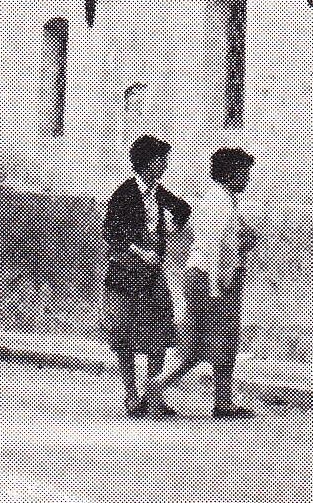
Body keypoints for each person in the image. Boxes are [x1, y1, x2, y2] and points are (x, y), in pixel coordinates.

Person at [144, 147, 259, 418]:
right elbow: (213, 246)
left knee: (220, 342)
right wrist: (218, 285)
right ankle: (156, 388)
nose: (247, 179)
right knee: (200, 345)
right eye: (244, 173)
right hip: (212, 280)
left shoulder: (222, 200)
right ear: (231, 174)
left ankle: (222, 401)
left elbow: (232, 239)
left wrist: (242, 241)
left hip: (212, 278)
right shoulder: (219, 203)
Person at [102, 135, 191, 417]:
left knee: (159, 331)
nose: (164, 164)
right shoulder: (125, 193)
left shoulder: (159, 192)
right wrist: (139, 249)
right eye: (159, 160)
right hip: (126, 271)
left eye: (165, 159)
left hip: (152, 274)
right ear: (145, 163)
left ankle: (153, 394)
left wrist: (172, 227)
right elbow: (111, 231)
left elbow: (183, 209)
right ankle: (131, 394)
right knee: (125, 334)